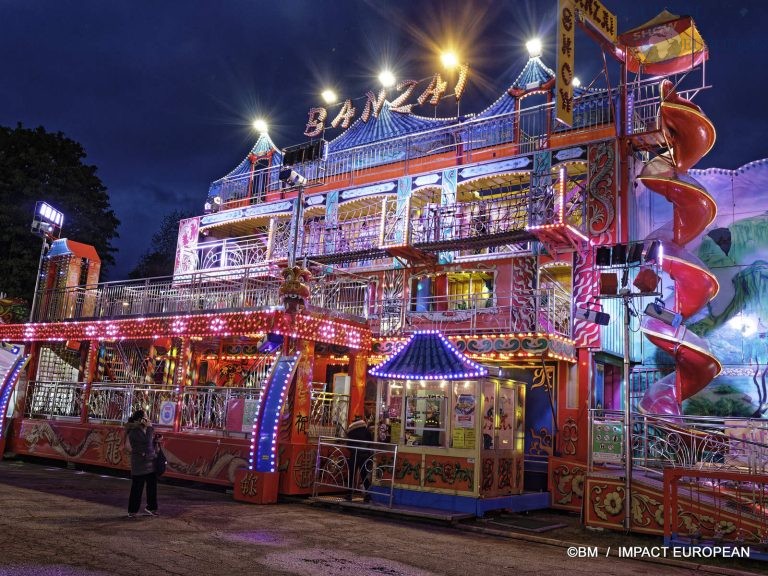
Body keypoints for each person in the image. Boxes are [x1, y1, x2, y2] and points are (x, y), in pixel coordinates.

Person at [124, 409, 160, 518]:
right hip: (140, 464)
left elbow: (149, 443)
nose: (148, 419)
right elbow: (146, 441)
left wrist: (156, 441)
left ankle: (151, 507)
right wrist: (150, 428)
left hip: (150, 462)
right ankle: (132, 510)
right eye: (146, 417)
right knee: (137, 488)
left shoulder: (146, 429)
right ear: (141, 419)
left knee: (152, 487)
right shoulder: (134, 431)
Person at [345, 416, 373, 502]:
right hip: (364, 454)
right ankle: (368, 494)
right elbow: (370, 442)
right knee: (363, 474)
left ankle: (349, 494)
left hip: (354, 454)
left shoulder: (351, 431)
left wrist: (353, 450)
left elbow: (348, 444)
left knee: (351, 474)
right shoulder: (366, 430)